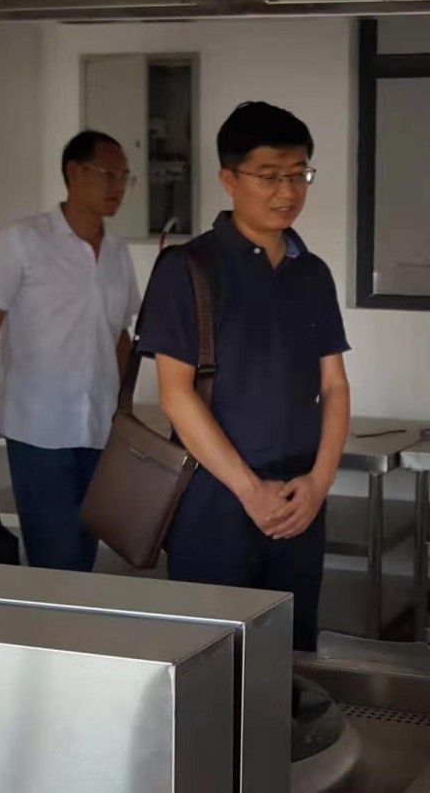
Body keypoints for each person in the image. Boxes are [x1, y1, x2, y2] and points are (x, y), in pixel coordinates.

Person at [138, 102, 350, 651]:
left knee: (291, 654)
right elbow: (175, 394)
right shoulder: (188, 268)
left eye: (299, 174)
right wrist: (250, 491)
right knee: (210, 657)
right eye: (270, 176)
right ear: (229, 179)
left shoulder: (313, 273)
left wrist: (319, 483)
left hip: (299, 499)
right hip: (213, 500)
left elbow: (334, 386)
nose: (288, 191)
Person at [0, 130, 141, 572]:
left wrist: (124, 410)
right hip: (38, 429)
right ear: (74, 173)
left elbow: (119, 336)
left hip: (98, 427)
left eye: (124, 177)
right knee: (55, 557)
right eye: (108, 174)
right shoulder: (23, 240)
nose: (118, 187)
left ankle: (75, 619)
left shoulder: (118, 252)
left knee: (84, 552)